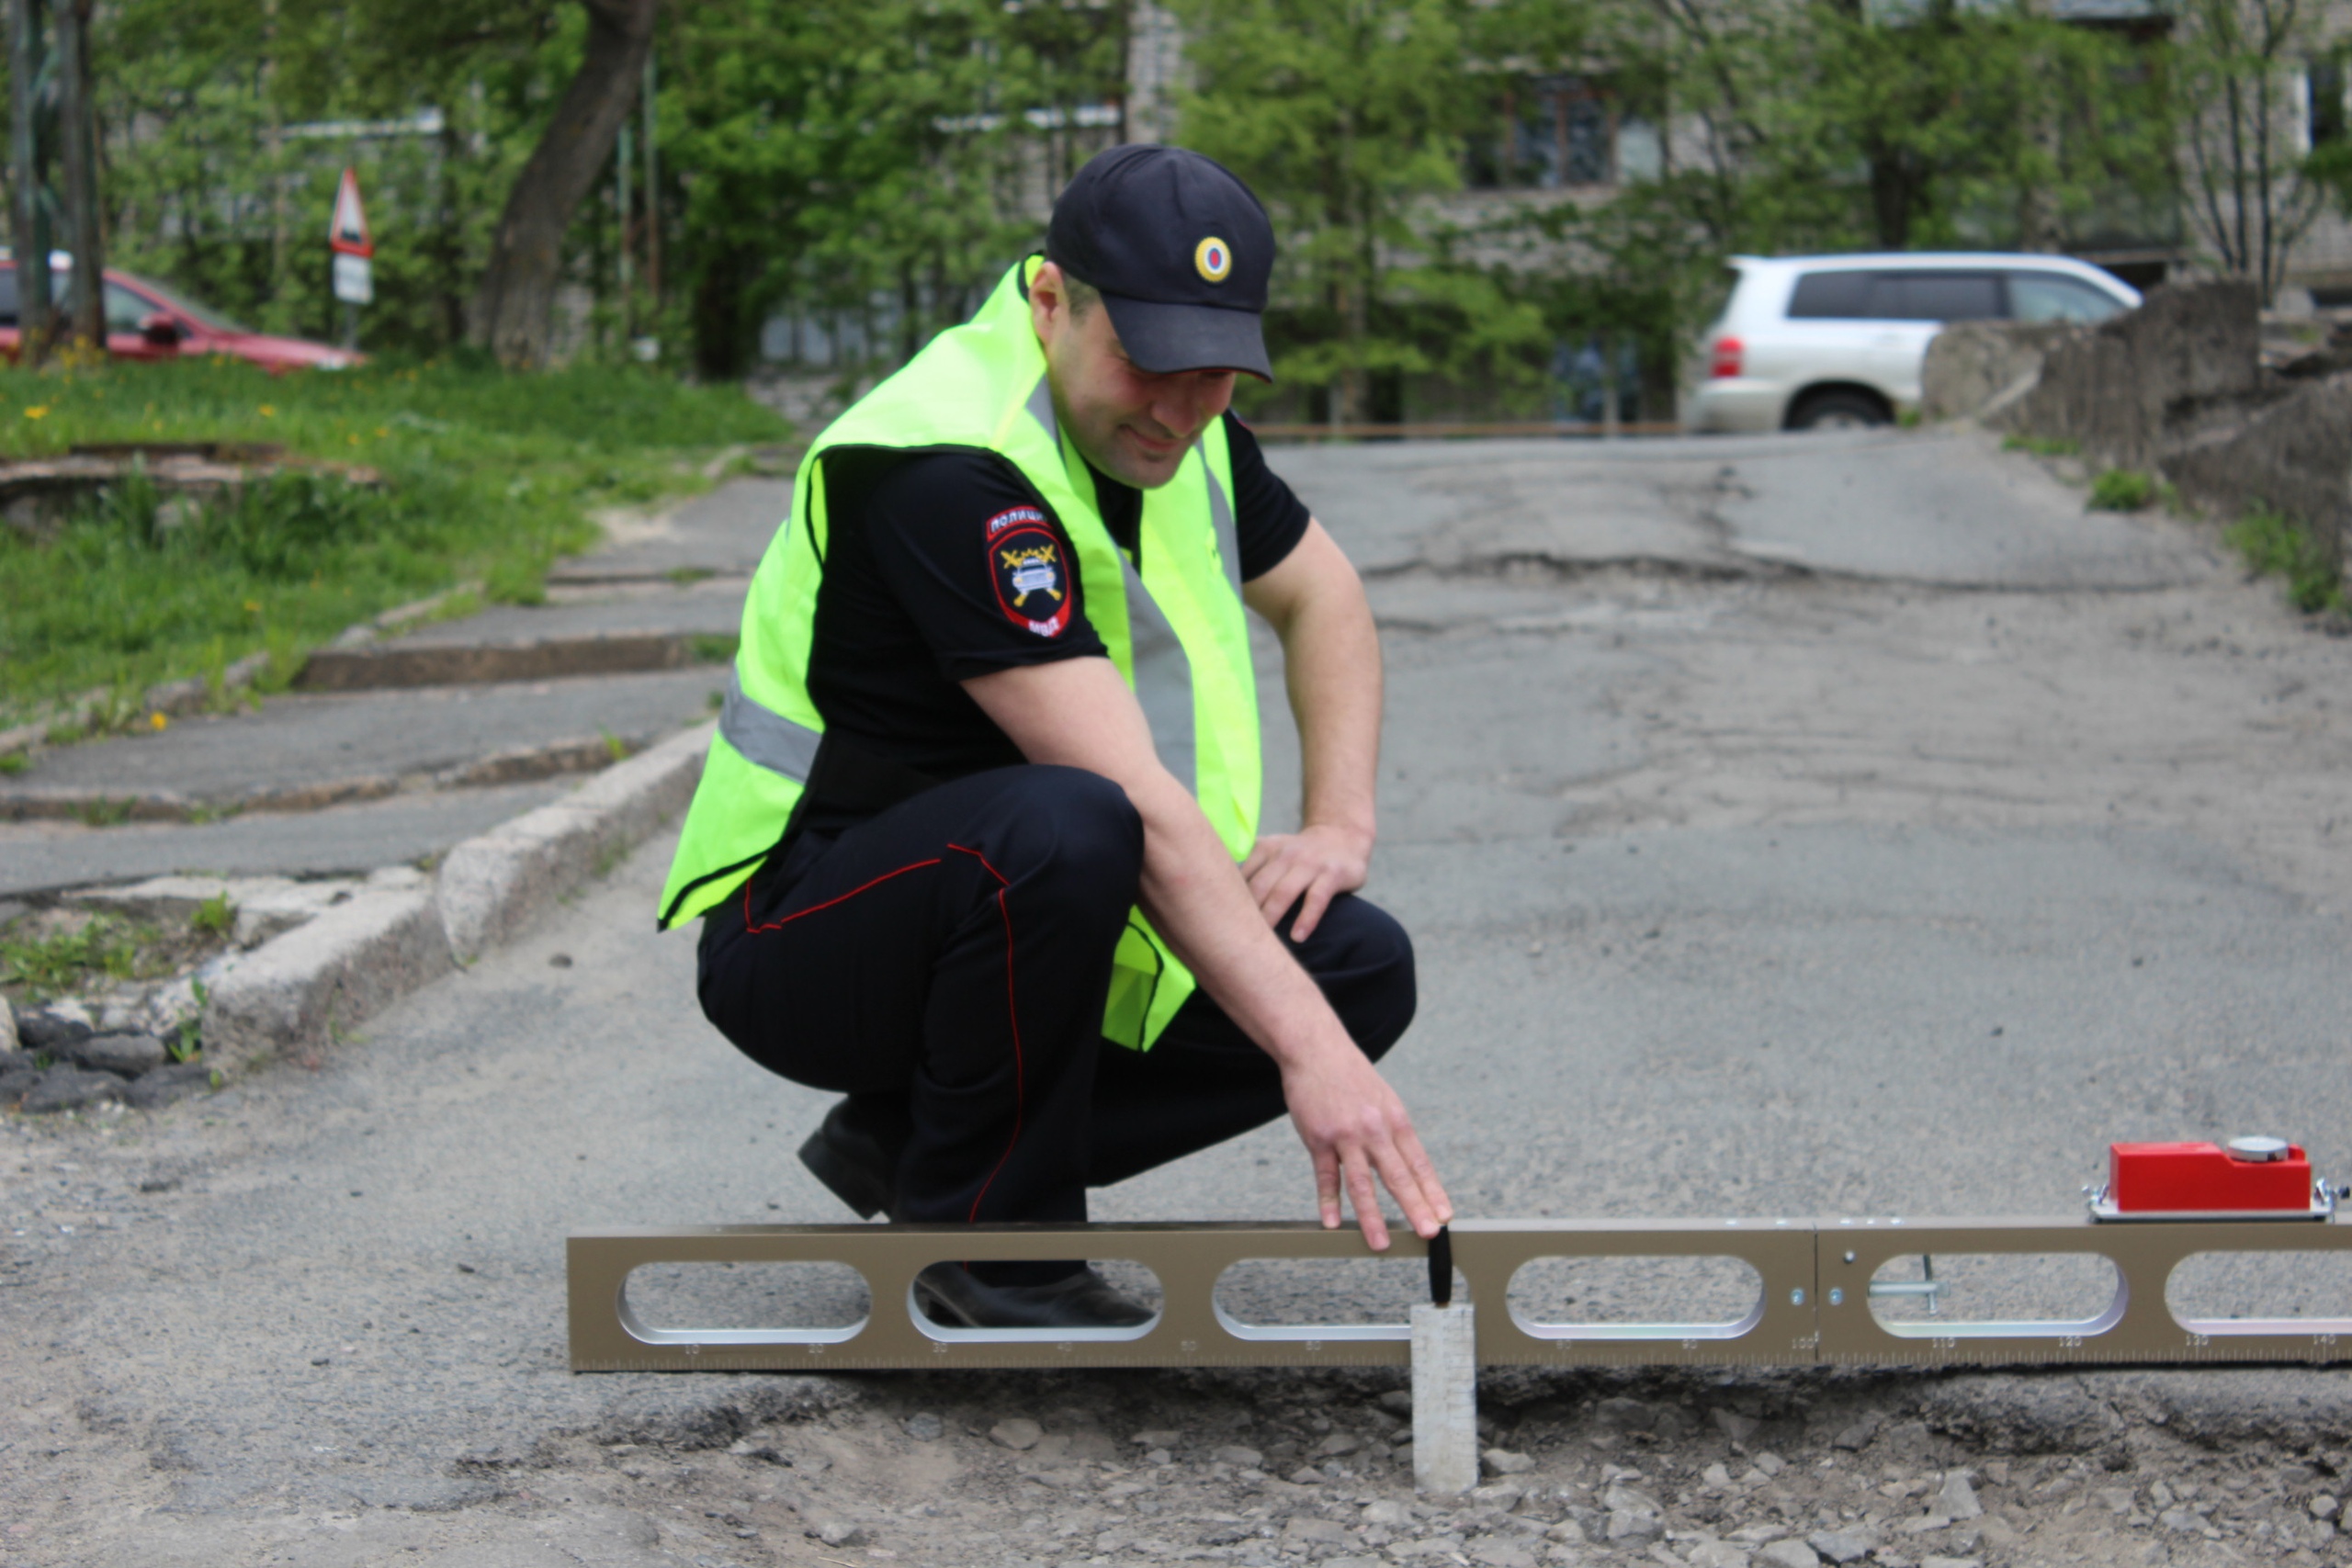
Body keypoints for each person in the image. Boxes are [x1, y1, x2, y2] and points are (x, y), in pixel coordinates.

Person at [660, 144, 1451, 1330]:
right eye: (1146, 360)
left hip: (999, 911)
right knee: (1081, 825)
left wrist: (1341, 824)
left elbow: (1324, 599)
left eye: (1215, 372)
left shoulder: (1188, 436)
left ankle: (911, 1139)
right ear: (1049, 301)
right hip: (803, 930)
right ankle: (988, 1243)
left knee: (1354, 963)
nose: (1179, 409)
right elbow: (1121, 794)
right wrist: (1312, 1062)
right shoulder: (947, 461)